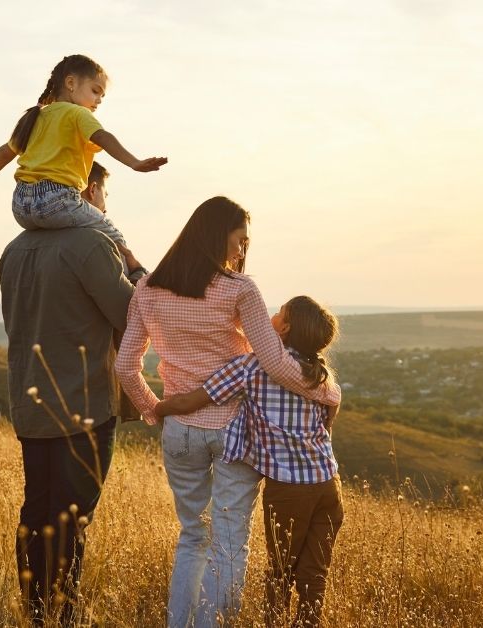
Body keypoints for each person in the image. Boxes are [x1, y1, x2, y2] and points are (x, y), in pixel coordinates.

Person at [113, 197, 341, 628]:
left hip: (180, 429)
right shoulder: (240, 290)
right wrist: (327, 392)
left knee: (193, 535)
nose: (242, 252)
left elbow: (125, 366)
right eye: (240, 241)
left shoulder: (147, 290)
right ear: (219, 235)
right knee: (230, 544)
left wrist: (153, 410)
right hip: (236, 433)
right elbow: (274, 362)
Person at [0, 168, 137, 623]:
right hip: (85, 406)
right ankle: (60, 615)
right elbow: (132, 316)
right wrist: (135, 267)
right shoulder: (94, 245)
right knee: (71, 520)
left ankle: (34, 609)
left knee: (36, 510)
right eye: (105, 193)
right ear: (90, 190)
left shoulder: (13, 251)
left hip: (30, 402)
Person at [156, 295, 343, 628]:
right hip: (329, 486)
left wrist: (159, 408)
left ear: (284, 328)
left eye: (279, 312)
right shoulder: (320, 375)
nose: (271, 315)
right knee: (314, 575)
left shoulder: (251, 367)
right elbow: (331, 412)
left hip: (289, 490)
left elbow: (194, 399)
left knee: (281, 572)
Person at [0, 53, 166, 281]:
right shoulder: (78, 113)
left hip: (20, 206)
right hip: (57, 200)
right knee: (111, 232)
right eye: (95, 91)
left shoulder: (33, 117)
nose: (98, 100)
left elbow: (4, 153)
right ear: (71, 83)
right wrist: (134, 162)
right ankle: (137, 284)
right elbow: (103, 137)